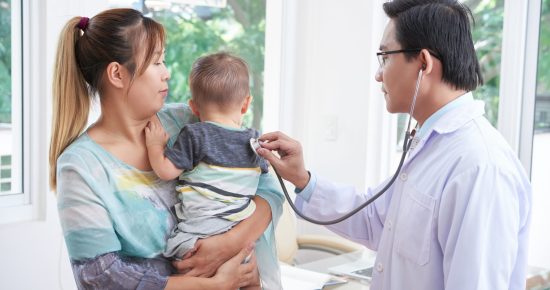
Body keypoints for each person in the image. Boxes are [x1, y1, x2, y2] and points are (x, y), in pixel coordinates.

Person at [256, 1, 532, 289]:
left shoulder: (479, 166)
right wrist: (302, 179)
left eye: (385, 57)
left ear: (423, 63)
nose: (378, 74)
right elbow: (375, 220)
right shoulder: (432, 147)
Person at [49, 8, 283, 290]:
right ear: (117, 73)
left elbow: (268, 189)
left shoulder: (187, 119)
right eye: (157, 62)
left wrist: (228, 245)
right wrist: (211, 285)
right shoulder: (81, 166)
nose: (167, 73)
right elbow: (100, 275)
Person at [144, 52, 281, 289]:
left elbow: (166, 172)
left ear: (194, 108)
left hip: (198, 238)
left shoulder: (194, 135)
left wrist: (155, 146)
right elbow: (267, 184)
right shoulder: (254, 141)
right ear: (246, 104)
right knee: (249, 279)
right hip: (240, 234)